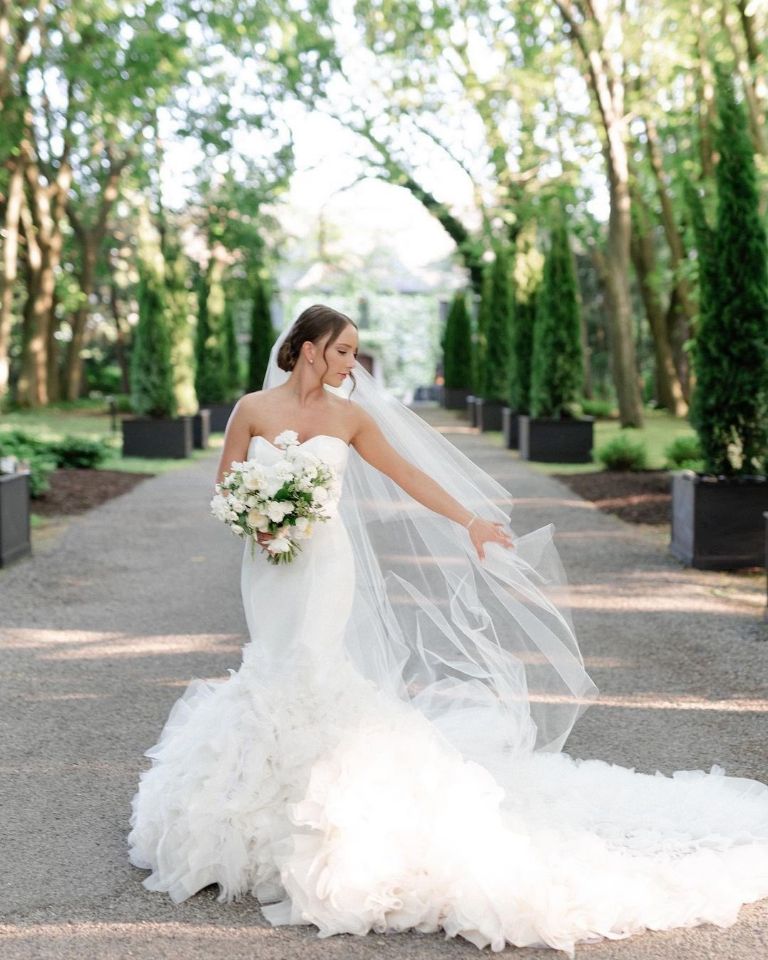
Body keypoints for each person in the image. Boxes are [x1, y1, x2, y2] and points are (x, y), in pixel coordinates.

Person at [128, 304, 768, 956]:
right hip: (268, 564)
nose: (352, 363)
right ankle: (252, 806)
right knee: (271, 660)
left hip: (325, 565)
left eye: (354, 351)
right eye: (343, 350)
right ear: (310, 349)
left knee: (312, 663)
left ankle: (318, 810)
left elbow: (407, 474)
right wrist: (258, 520)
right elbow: (227, 485)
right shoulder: (252, 409)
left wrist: (471, 522)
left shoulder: (351, 417)